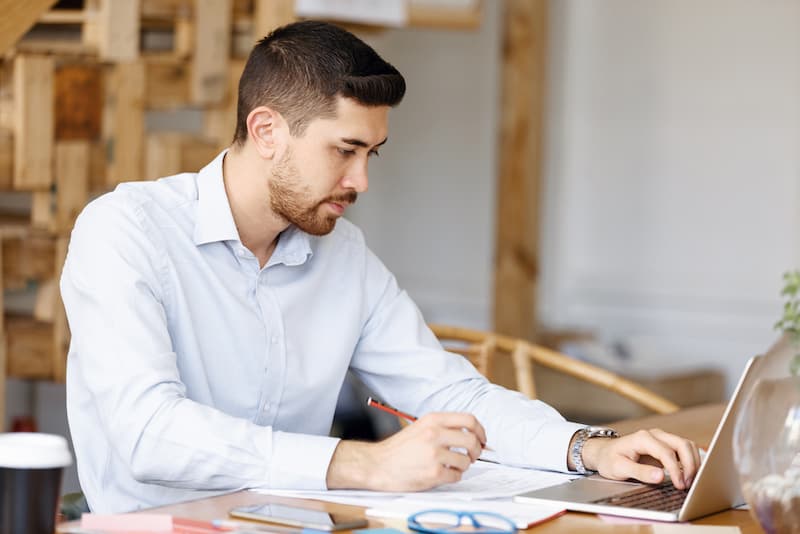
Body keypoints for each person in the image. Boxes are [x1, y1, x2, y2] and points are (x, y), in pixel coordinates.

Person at [61, 21, 700, 514]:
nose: (361, 180)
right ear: (266, 131)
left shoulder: (344, 256)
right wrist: (365, 464)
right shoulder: (124, 231)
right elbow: (147, 432)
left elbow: (450, 394)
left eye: (372, 153)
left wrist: (590, 449)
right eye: (344, 150)